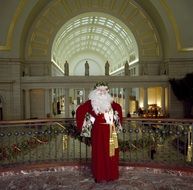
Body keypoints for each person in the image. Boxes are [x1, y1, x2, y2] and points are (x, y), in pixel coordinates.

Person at [76, 81, 123, 183]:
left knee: (112, 154)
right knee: (99, 154)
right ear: (95, 91)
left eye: (104, 90)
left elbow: (118, 109)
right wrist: (90, 121)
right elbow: (79, 111)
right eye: (99, 90)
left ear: (107, 91)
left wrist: (115, 115)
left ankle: (111, 175)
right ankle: (99, 175)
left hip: (111, 132)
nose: (102, 92)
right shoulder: (90, 103)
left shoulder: (112, 103)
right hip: (98, 132)